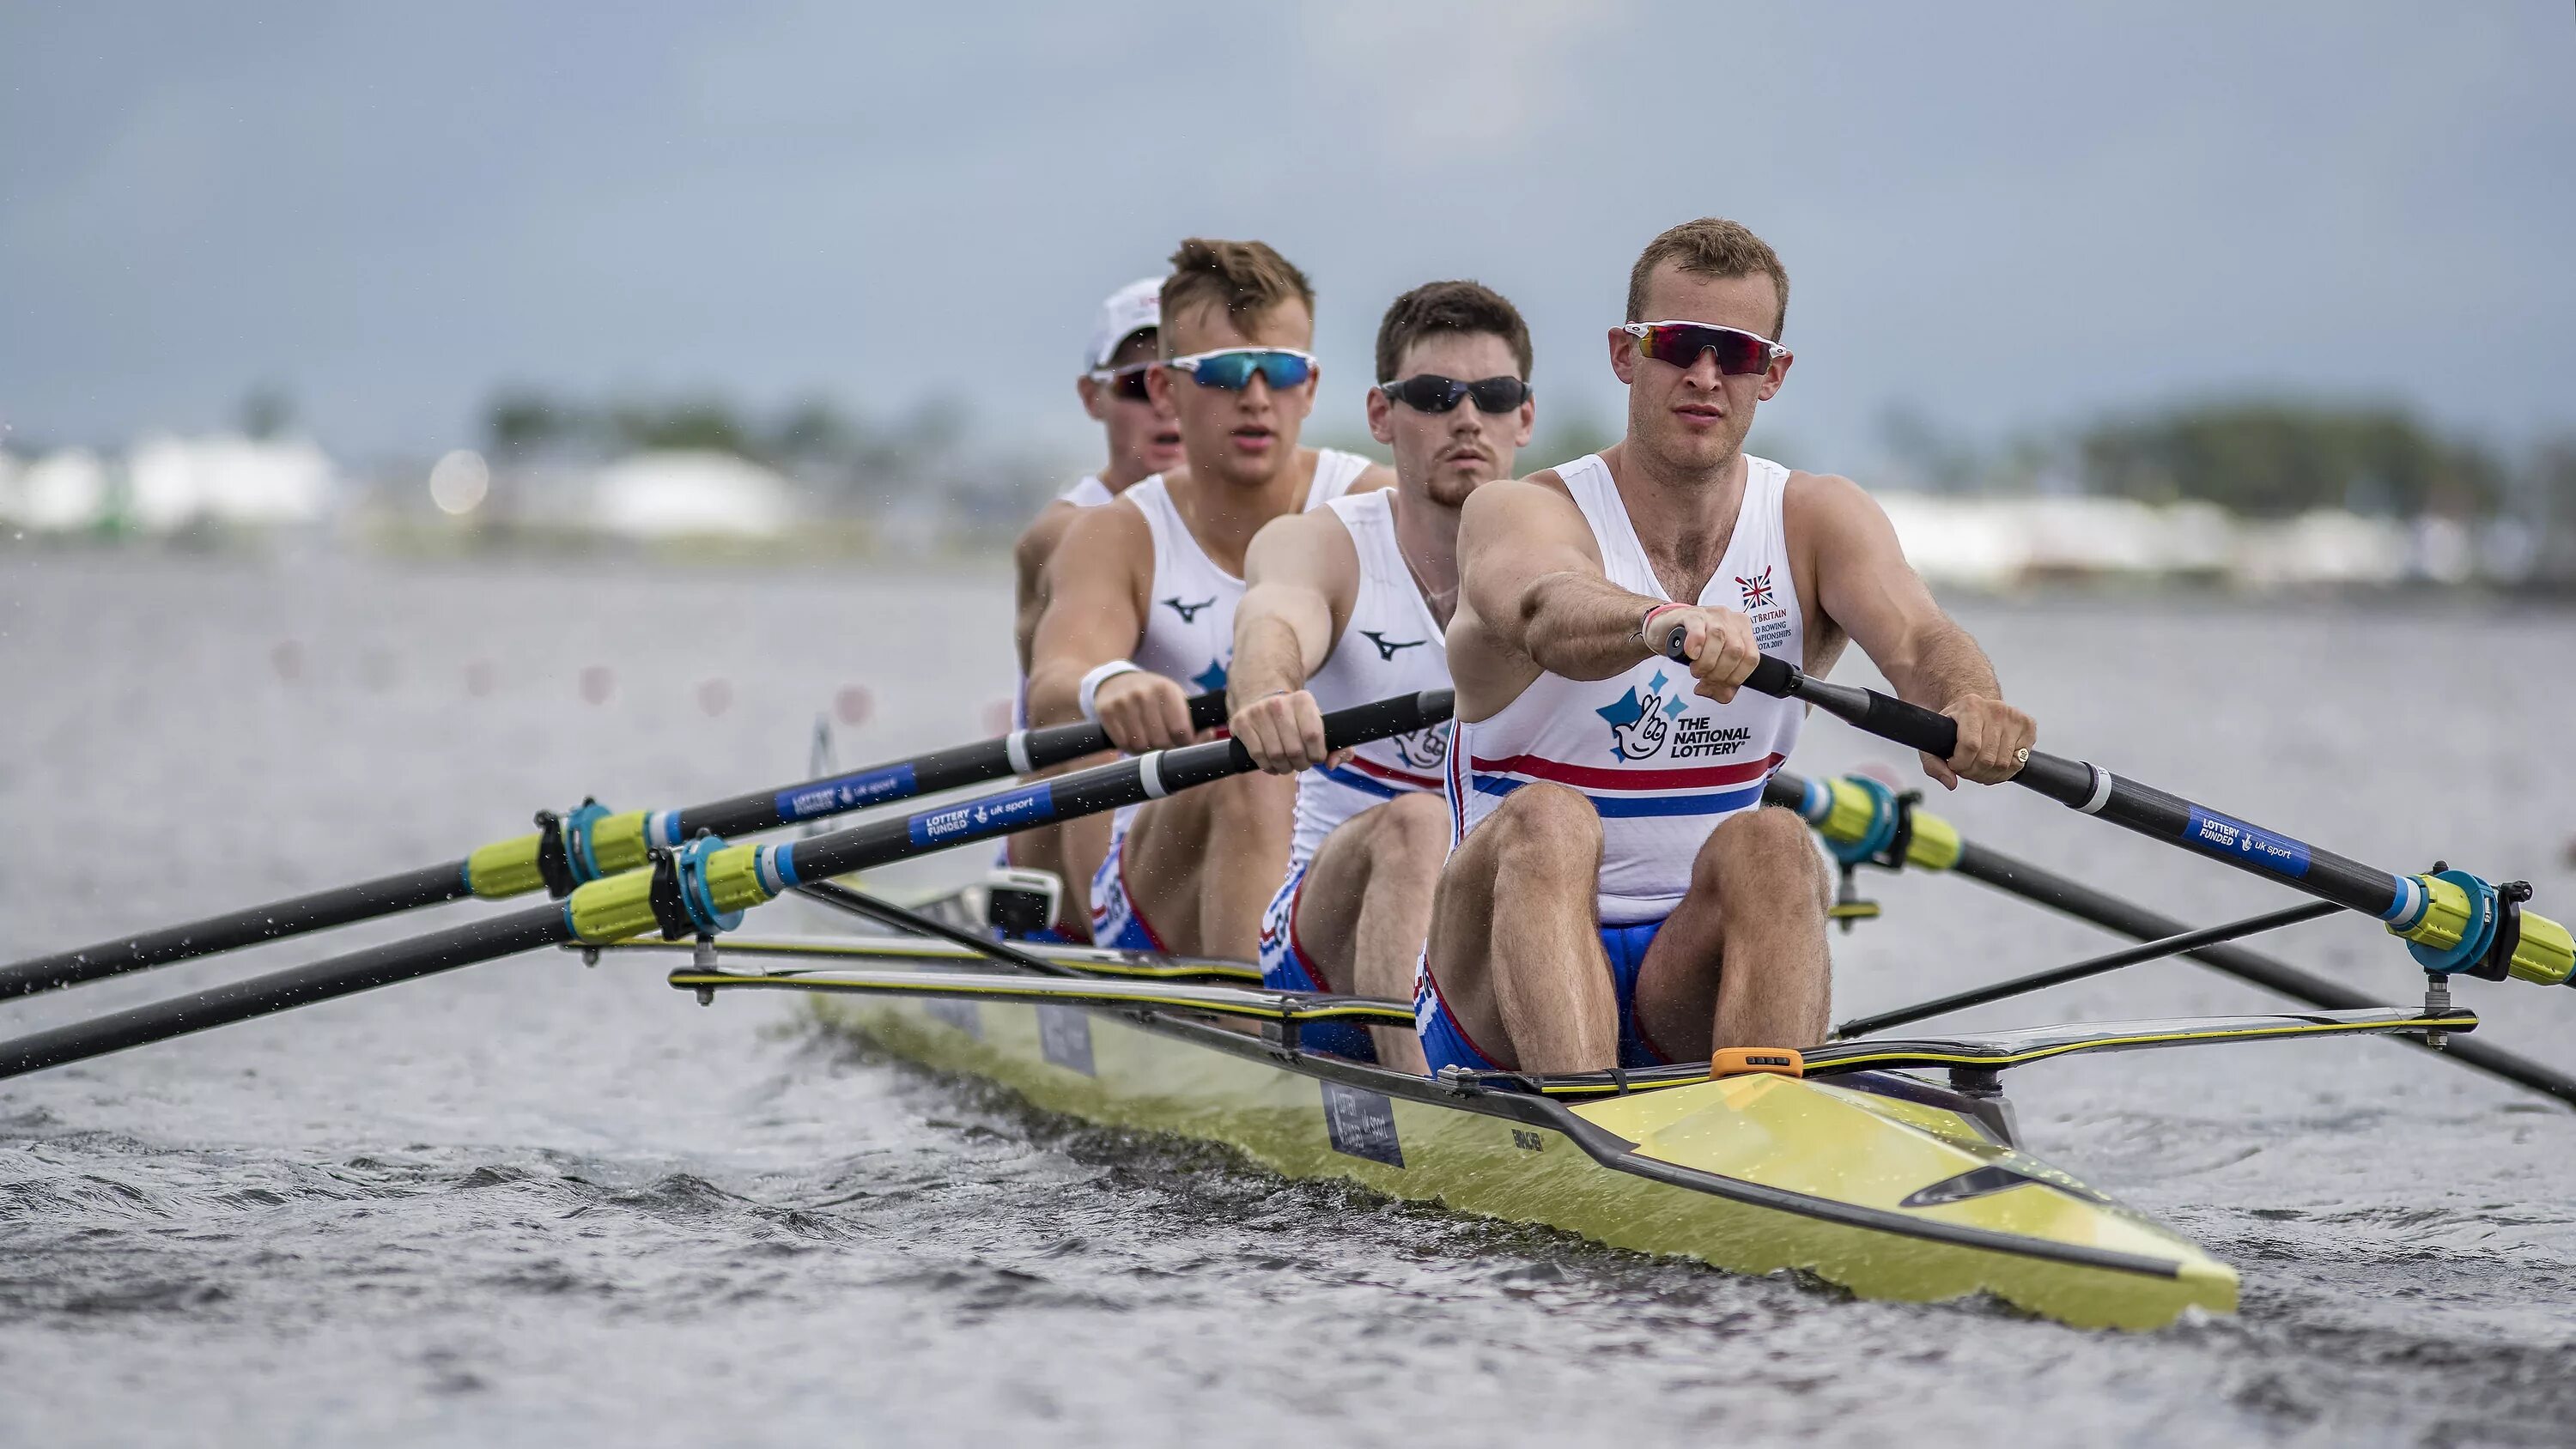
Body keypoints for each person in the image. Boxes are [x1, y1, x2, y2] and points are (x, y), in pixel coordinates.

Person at [1418, 218, 2038, 1076]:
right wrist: (1662, 622)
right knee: (1551, 815)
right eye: (1677, 344)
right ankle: (1585, 1124)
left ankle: (1765, 1128)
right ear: (1625, 354)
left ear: (1772, 374)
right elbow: (1542, 606)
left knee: (1777, 842)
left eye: (1737, 353)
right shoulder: (1522, 509)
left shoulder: (1816, 519)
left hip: (1685, 968)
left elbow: (1924, 637)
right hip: (1493, 982)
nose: (1705, 375)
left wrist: (1967, 698)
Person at [1025, 238, 1392, 958]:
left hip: (1329, 850)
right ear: (1165, 389)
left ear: (1310, 388)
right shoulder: (1116, 535)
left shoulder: (1373, 505)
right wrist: (1110, 684)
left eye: (1281, 371)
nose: (1257, 398)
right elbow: (1052, 687)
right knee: (1252, 768)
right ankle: (1253, 1033)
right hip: (1151, 877)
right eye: (1225, 373)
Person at [1226, 282, 1535, 1068]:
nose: (1467, 418)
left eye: (1493, 395)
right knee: (1419, 822)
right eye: (1434, 395)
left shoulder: (1564, 554)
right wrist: (1268, 691)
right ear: (1379, 415)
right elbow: (1273, 617)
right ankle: (1420, 1103)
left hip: (1477, 937)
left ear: (1523, 418)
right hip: (1321, 960)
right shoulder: (1325, 543)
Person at [999, 278, 1184, 940]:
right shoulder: (1066, 533)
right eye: (1141, 385)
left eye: (1185, 379)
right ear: (1093, 398)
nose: (1167, 407)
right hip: (1061, 880)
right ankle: (1116, 948)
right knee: (1102, 740)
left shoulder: (1272, 529)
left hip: (1184, 840)